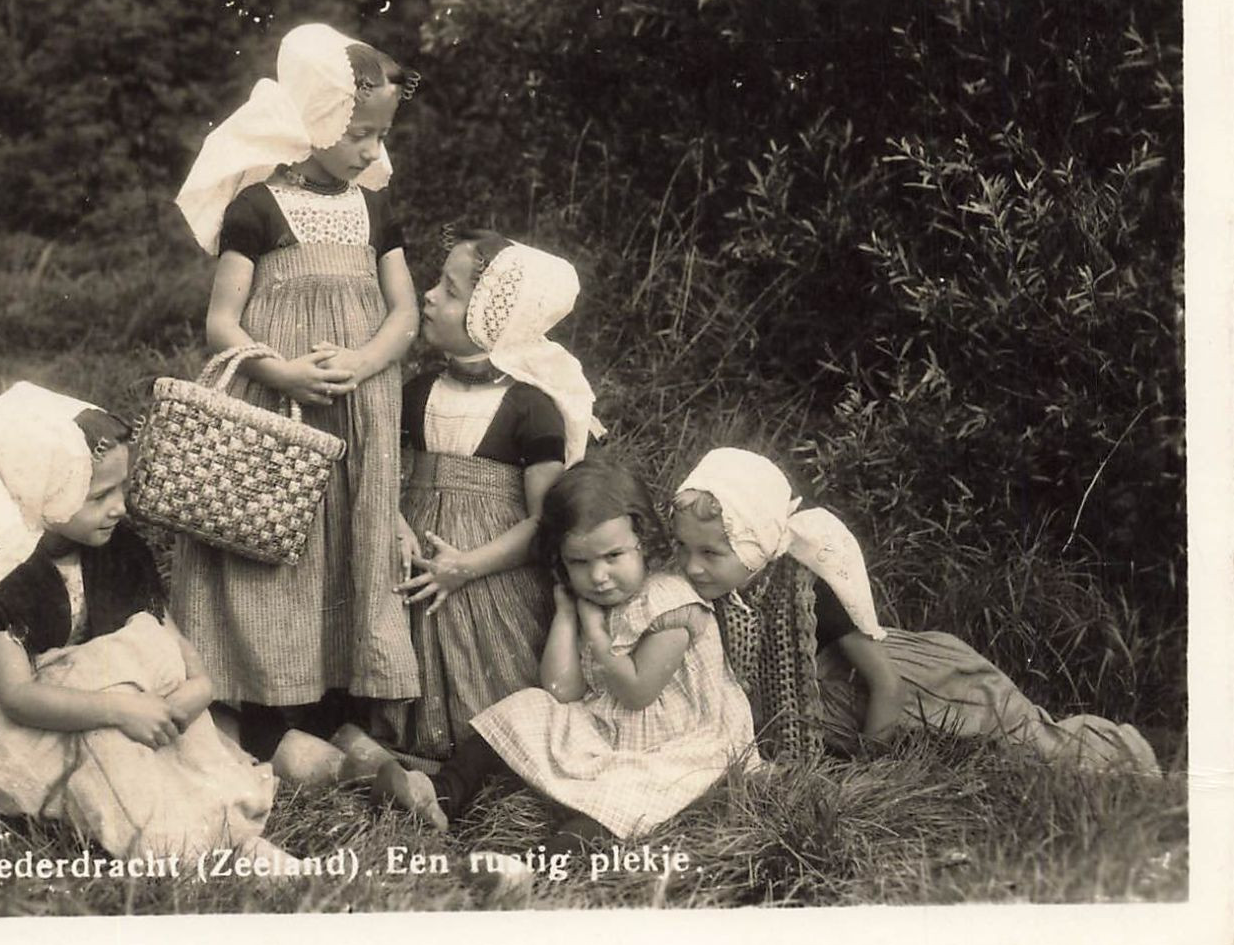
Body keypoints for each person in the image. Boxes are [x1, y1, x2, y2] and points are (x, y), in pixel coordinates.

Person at [0, 382, 288, 863]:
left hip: (103, 693)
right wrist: (120, 709)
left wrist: (199, 685)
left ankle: (216, 812)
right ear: (41, 492)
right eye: (99, 495)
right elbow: (19, 697)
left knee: (141, 649)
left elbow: (166, 634)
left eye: (121, 489)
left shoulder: (114, 545)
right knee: (107, 742)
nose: (119, 506)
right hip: (24, 715)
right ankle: (176, 843)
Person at [171, 23, 423, 759]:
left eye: (379, 136)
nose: (372, 152)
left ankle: (340, 700)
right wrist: (276, 369)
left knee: (352, 540)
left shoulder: (373, 209)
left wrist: (367, 359)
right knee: (278, 545)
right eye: (359, 136)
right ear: (312, 121)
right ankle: (266, 703)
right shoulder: (256, 208)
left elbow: (404, 310)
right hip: (277, 406)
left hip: (360, 402)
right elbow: (222, 321)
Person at [671, 446, 1160, 773]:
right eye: (685, 550)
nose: (693, 567)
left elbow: (887, 683)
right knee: (987, 758)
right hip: (874, 711)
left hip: (929, 690)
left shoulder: (805, 594)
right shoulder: (733, 598)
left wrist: (869, 766)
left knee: (1024, 744)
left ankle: (1137, 752)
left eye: (711, 553)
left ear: (757, 545)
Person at [372, 462, 758, 851]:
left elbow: (638, 691)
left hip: (674, 742)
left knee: (619, 802)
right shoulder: (591, 599)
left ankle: (542, 865)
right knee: (524, 708)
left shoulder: (672, 602)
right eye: (579, 562)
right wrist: (566, 616)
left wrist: (595, 634)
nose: (599, 576)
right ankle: (440, 794)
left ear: (644, 540)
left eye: (613, 556)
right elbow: (561, 690)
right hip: (607, 727)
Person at [380, 230, 604, 760]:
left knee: (486, 666)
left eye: (451, 292)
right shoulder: (416, 393)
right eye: (437, 283)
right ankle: (399, 737)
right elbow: (385, 475)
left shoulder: (531, 408)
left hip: (489, 571)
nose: (430, 296)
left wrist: (466, 567)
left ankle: (478, 751)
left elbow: (543, 522)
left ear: (494, 319)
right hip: (414, 553)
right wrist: (395, 521)